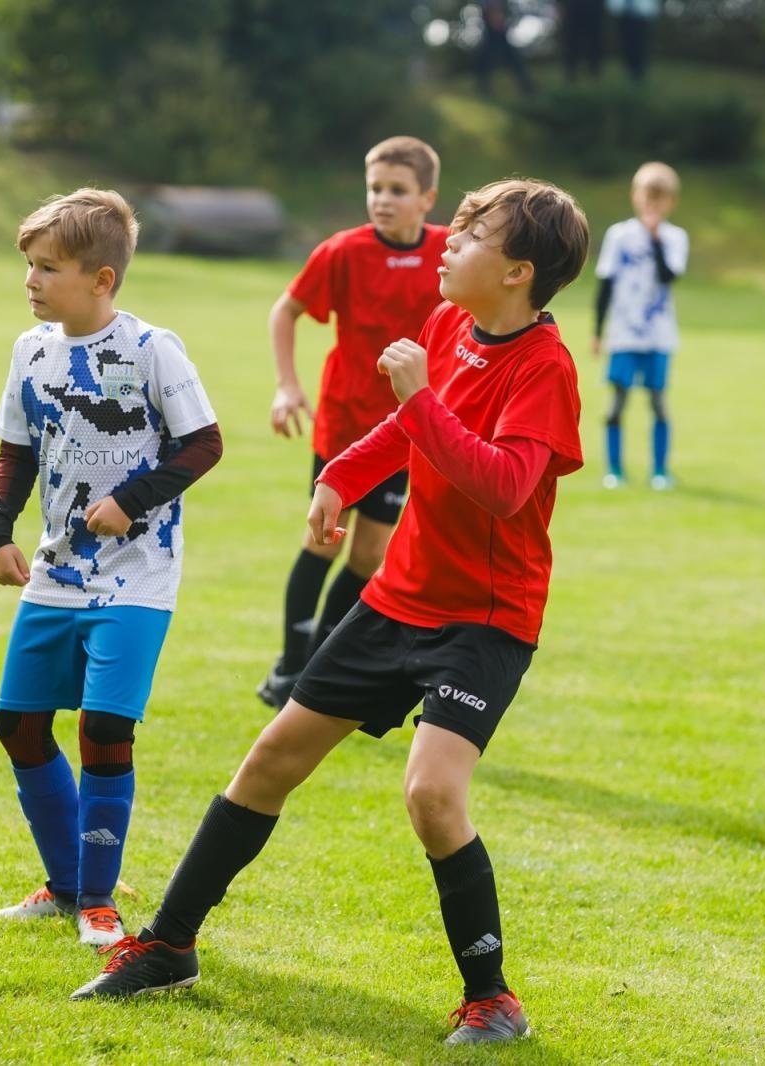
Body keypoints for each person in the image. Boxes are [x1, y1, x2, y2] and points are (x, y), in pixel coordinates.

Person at [71, 179, 590, 1050]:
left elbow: (504, 489)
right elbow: (402, 432)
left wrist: (421, 397)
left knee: (431, 794)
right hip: (398, 597)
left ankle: (491, 998)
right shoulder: (450, 329)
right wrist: (341, 475)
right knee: (270, 759)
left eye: (470, 235)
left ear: (518, 273)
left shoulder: (545, 367)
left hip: (486, 619)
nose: (447, 243)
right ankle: (167, 945)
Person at [0, 188, 223, 948]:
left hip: (137, 576)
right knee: (18, 724)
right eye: (28, 265)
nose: (31, 280)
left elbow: (204, 443)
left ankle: (98, 902)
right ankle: (64, 886)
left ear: (101, 279)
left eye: (47, 267)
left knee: (105, 728)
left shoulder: (154, 349)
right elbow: (16, 449)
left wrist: (131, 499)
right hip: (56, 574)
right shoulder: (31, 351)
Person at [257, 136, 448, 709]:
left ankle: (318, 658)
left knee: (369, 555)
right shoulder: (342, 251)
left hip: (407, 429)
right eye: (375, 189)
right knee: (322, 543)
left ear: (427, 198)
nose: (382, 200)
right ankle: (291, 664)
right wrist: (287, 385)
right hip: (345, 428)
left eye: (398, 191)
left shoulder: (447, 253)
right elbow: (285, 310)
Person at [592, 161, 687, 490]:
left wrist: (656, 240)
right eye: (648, 198)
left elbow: (668, 277)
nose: (652, 205)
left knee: (658, 402)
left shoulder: (675, 238)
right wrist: (597, 332)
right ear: (636, 197)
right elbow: (605, 284)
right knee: (617, 402)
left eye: (659, 200)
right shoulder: (619, 235)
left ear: (671, 203)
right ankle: (614, 469)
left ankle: (660, 470)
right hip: (624, 334)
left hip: (659, 336)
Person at [476, 0, 534, 97]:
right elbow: (492, 11)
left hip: (498, 34)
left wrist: (499, 23)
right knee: (484, 63)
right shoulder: (489, 7)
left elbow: (496, 12)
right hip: (493, 34)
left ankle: (528, 89)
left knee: (514, 62)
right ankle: (483, 90)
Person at [606, 0, 658, 81]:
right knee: (627, 44)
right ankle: (630, 69)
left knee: (640, 45)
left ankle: (639, 71)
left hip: (641, 15)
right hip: (624, 15)